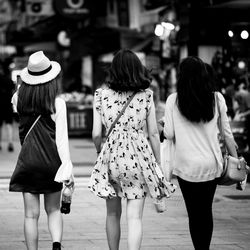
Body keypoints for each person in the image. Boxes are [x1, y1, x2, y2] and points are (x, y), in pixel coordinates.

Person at [89, 49, 175, 250]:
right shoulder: (146, 96)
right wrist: (158, 164)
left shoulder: (101, 95)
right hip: (139, 158)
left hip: (111, 157)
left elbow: (95, 133)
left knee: (112, 214)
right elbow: (154, 133)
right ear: (137, 69)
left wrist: (99, 151)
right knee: (134, 217)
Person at [162, 57, 237, 250]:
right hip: (211, 165)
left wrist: (163, 126)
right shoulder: (216, 98)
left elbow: (168, 134)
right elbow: (228, 135)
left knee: (194, 214)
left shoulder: (173, 100)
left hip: (186, 166)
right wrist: (237, 160)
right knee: (206, 212)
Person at [9, 51, 74, 250]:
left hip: (27, 162)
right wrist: (67, 170)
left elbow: (18, 116)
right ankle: (55, 245)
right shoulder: (58, 104)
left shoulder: (18, 98)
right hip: (51, 165)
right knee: (53, 210)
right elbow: (62, 140)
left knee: (30, 215)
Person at [0, 62, 15, 152]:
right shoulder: (9, 80)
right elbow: (14, 91)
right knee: (9, 124)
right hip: (8, 105)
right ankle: (10, 143)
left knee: (0, 126)